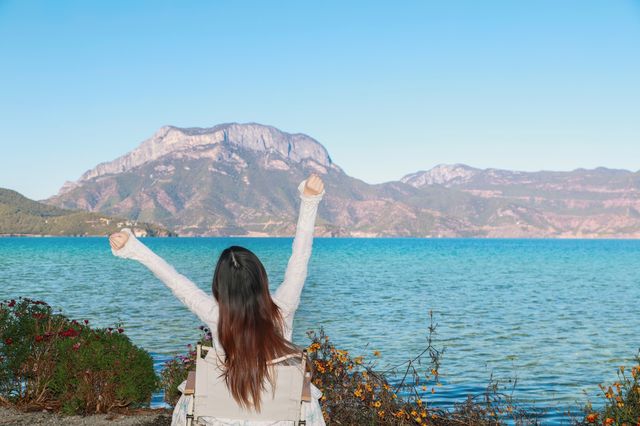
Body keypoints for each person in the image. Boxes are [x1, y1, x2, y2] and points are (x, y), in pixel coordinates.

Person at [108, 174, 326, 426]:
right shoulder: (283, 308)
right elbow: (300, 258)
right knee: (306, 396)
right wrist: (309, 200)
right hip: (281, 420)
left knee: (192, 388)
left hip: (219, 419)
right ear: (260, 278)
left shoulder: (215, 314)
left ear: (219, 285)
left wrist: (132, 248)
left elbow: (174, 281)